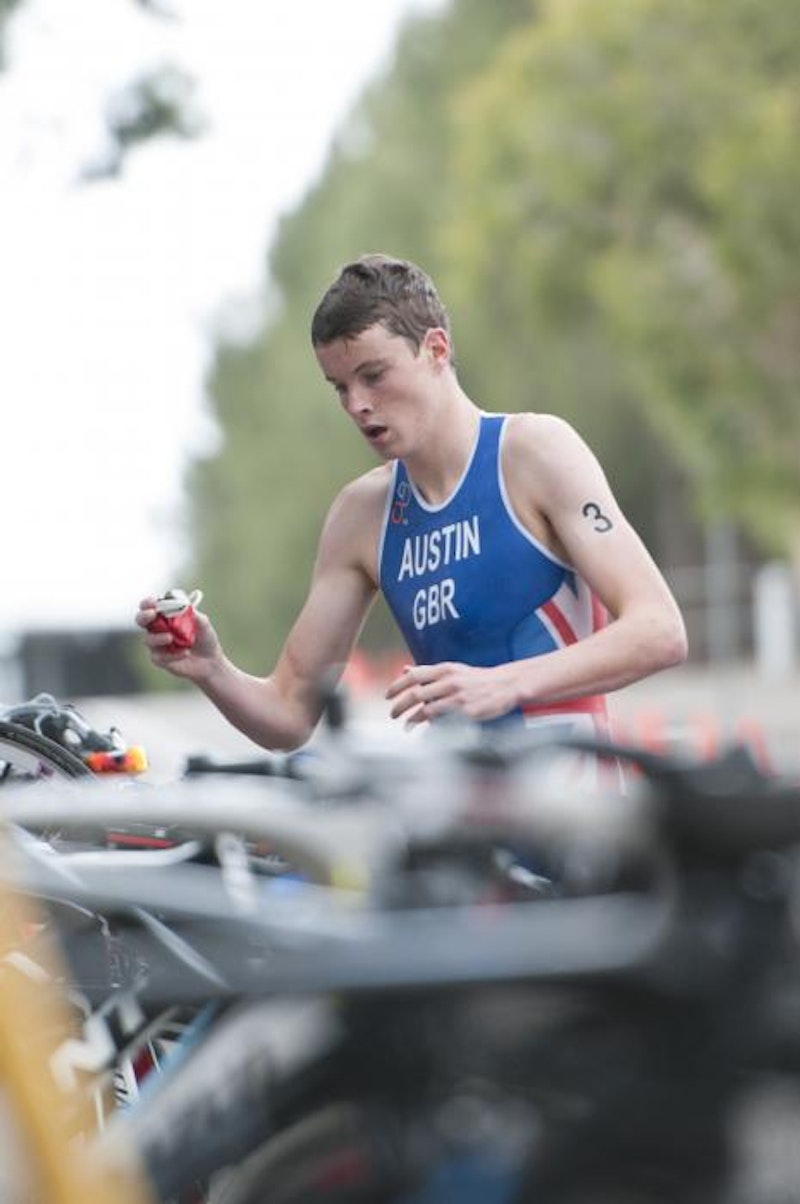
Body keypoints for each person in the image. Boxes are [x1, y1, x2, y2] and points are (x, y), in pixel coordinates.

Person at [136, 253, 687, 755]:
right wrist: (212, 669)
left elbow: (659, 630)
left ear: (436, 350)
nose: (357, 405)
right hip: (458, 840)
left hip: (573, 827)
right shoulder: (362, 515)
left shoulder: (534, 452)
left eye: (374, 376)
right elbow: (288, 712)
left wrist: (507, 681)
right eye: (339, 387)